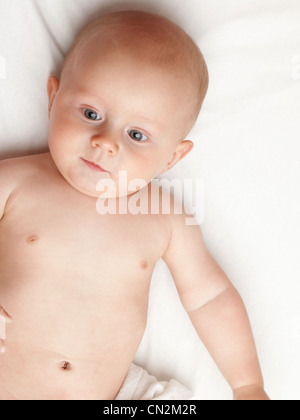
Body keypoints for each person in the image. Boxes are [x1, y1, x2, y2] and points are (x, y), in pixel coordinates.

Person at [0, 10, 269, 400]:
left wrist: (247, 384)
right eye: (91, 113)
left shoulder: (164, 216)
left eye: (137, 134)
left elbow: (210, 296)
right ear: (53, 97)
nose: (106, 142)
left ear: (171, 159)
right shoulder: (16, 181)